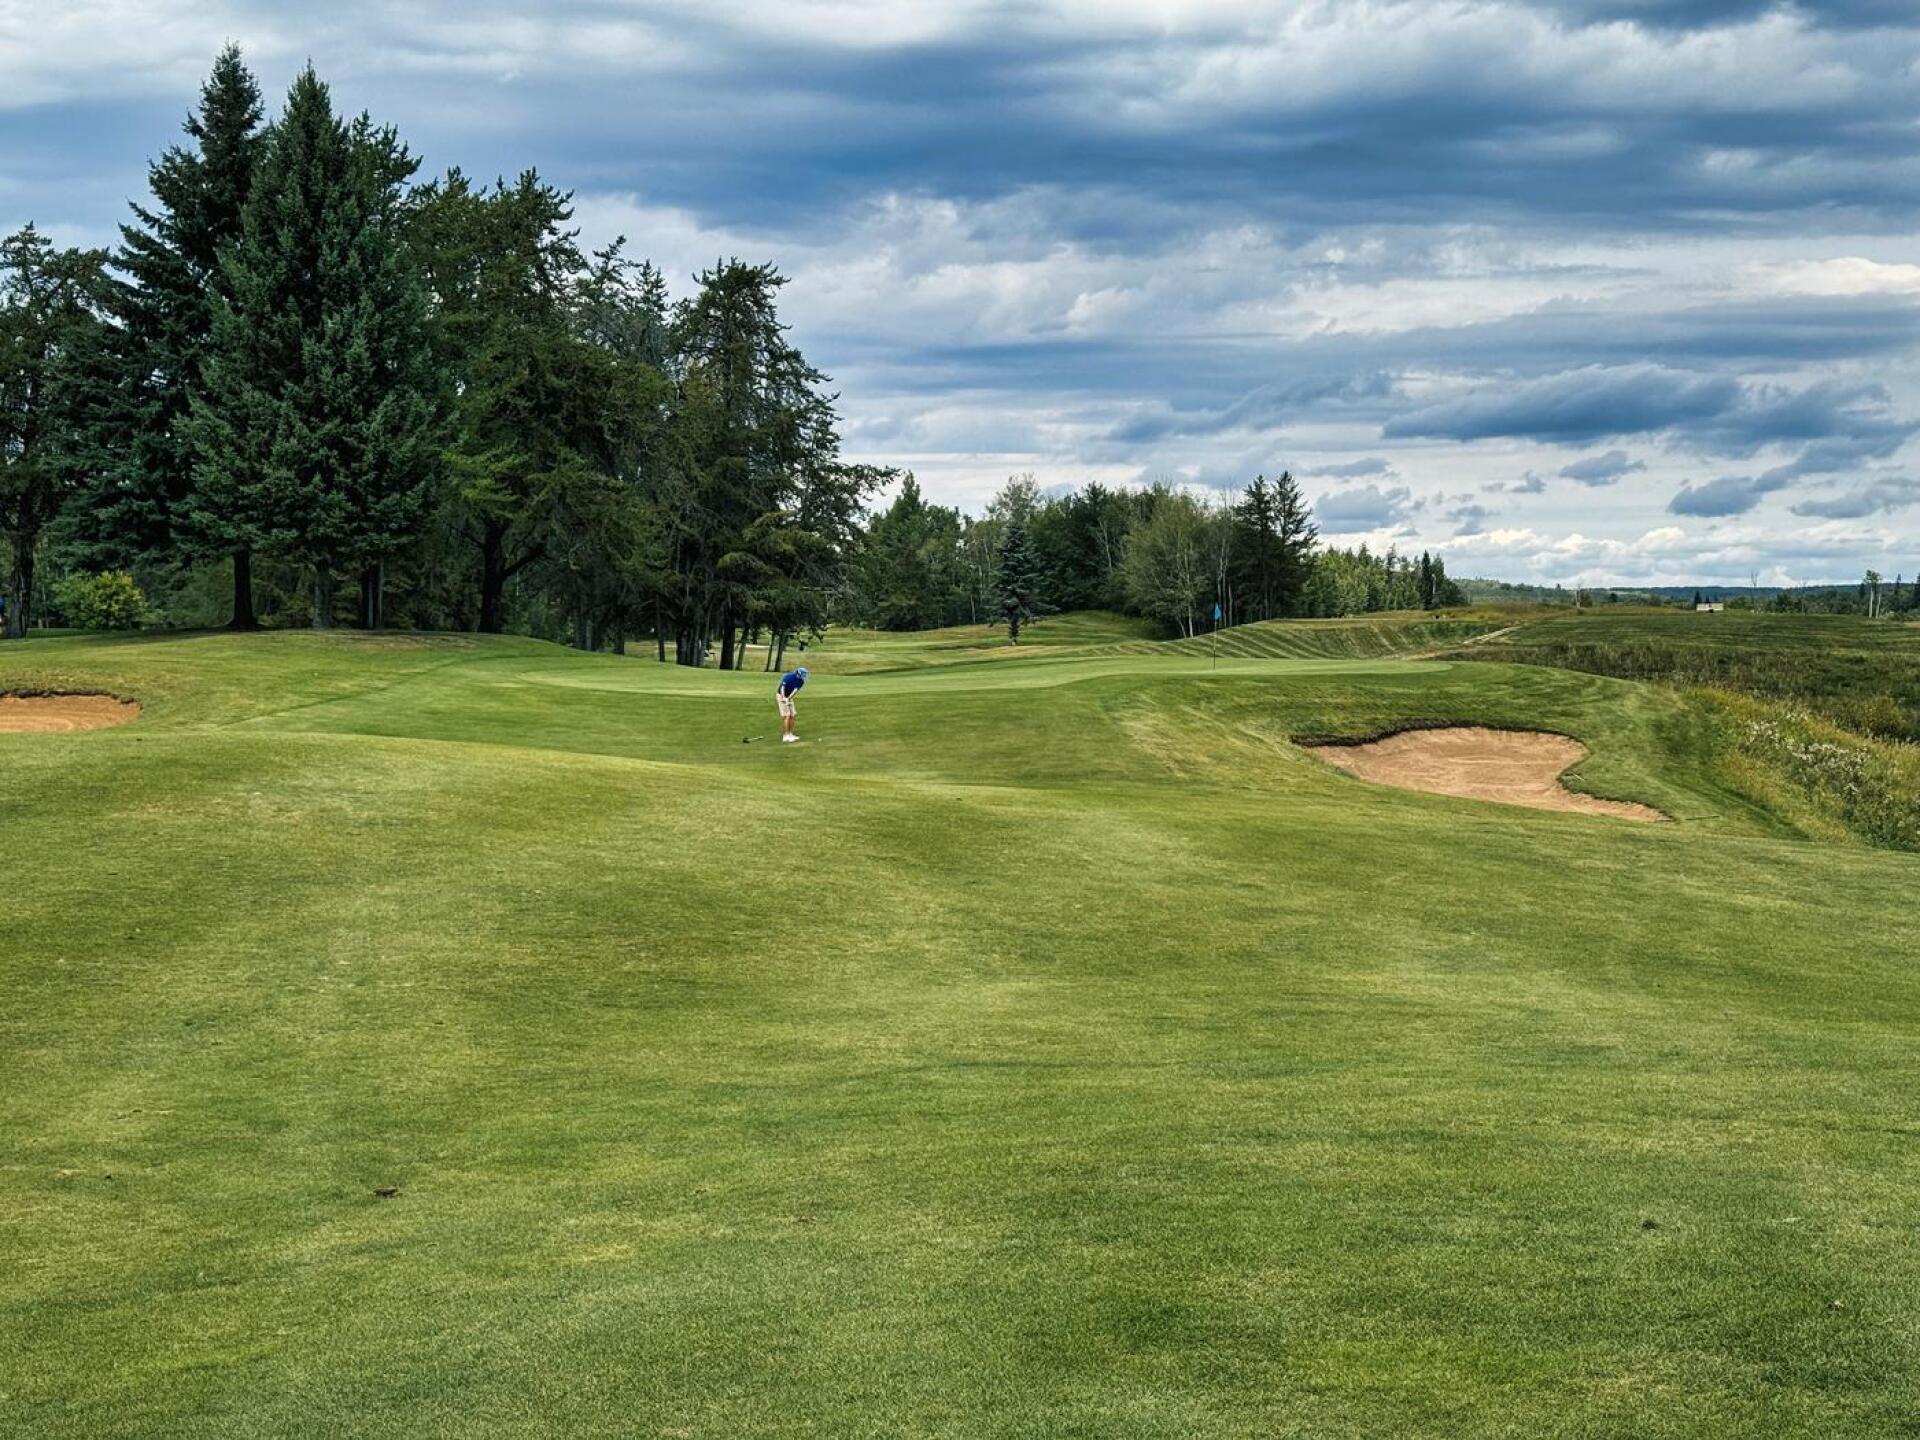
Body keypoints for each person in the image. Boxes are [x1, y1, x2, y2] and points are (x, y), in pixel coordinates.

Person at [775, 665, 808, 742]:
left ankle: (790, 734)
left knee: (793, 715)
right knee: (787, 715)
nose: (803, 677)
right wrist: (783, 698)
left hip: (788, 697)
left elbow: (795, 691)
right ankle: (785, 736)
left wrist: (789, 698)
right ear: (798, 673)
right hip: (781, 695)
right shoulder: (788, 676)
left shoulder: (801, 681)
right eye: (803, 675)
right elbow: (782, 687)